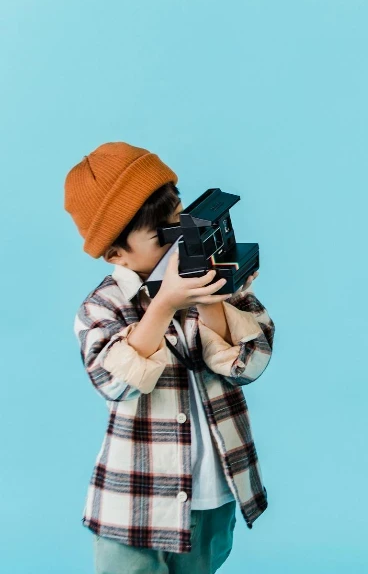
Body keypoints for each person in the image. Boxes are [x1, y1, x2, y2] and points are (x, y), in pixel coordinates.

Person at [65, 142, 275, 573]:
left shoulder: (218, 274)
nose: (178, 237)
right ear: (117, 254)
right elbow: (115, 382)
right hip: (135, 500)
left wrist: (211, 298)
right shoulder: (103, 307)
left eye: (179, 219)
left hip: (212, 489)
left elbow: (247, 366)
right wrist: (162, 307)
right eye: (161, 235)